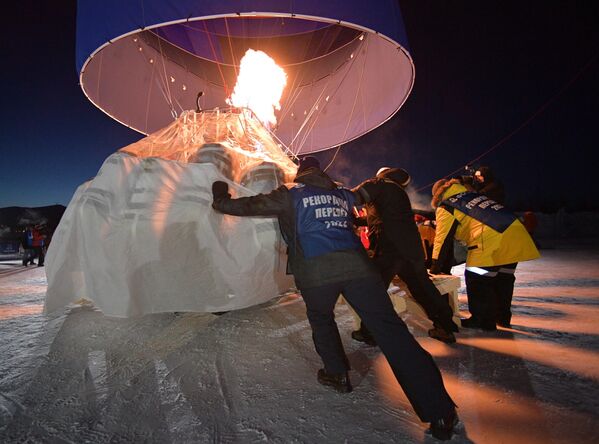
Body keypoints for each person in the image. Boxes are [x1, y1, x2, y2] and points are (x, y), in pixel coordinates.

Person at [211, 156, 458, 440]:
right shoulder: (341, 194)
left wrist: (220, 195)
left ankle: (337, 373)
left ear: (300, 174)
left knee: (321, 318)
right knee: (392, 332)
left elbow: (240, 207)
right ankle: (439, 410)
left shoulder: (289, 194)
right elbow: (361, 203)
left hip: (316, 272)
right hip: (359, 269)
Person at [351, 168, 459, 344]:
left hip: (388, 248)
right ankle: (445, 325)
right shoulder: (397, 193)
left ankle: (371, 332)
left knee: (373, 290)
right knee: (423, 288)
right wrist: (357, 220)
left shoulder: (379, 184)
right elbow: (380, 217)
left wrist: (332, 196)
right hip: (411, 249)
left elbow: (353, 197)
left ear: (382, 175)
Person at [430, 178, 540, 330]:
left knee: (477, 279)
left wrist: (436, 264)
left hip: (489, 240)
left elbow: (442, 238)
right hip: (514, 235)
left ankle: (482, 320)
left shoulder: (447, 206)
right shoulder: (474, 197)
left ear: (438, 194)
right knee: (503, 279)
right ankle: (502, 318)